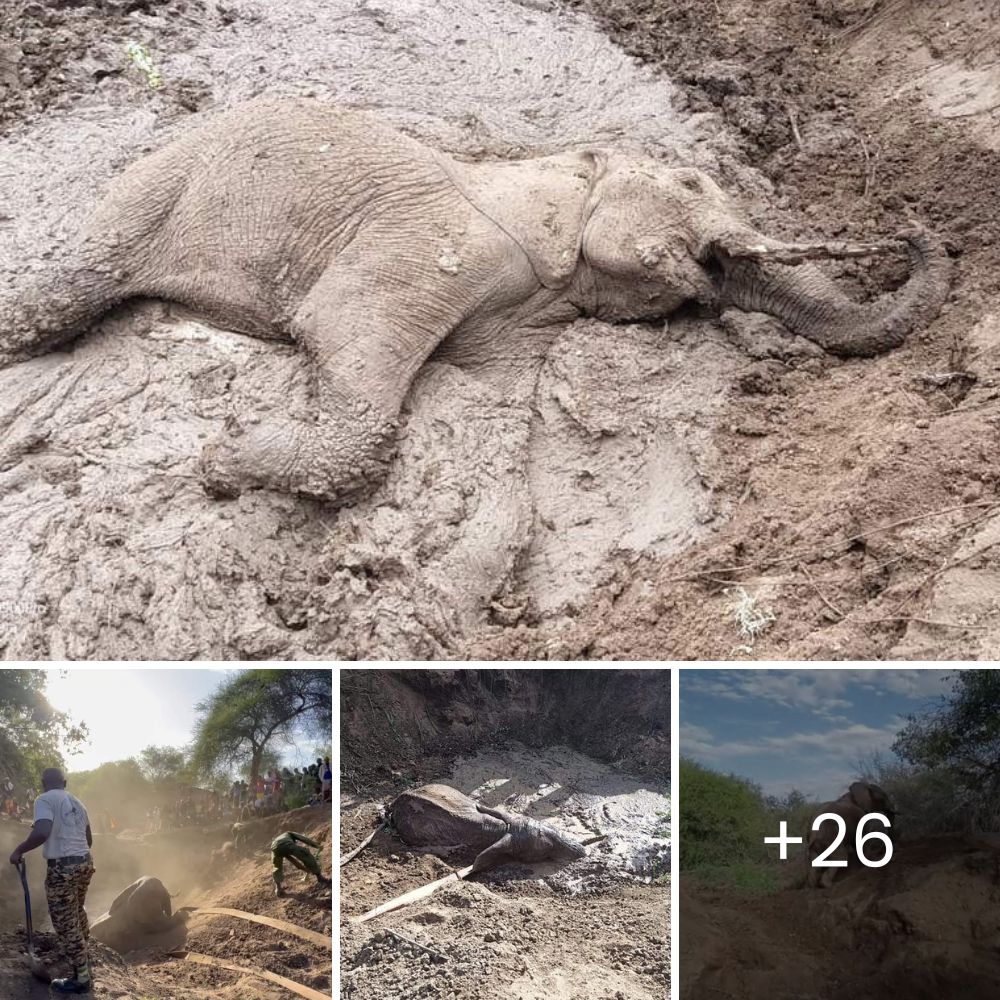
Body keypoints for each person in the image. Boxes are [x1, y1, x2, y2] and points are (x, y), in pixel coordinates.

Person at [8, 767, 94, 995]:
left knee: (65, 923)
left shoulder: (43, 799)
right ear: (64, 782)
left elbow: (42, 832)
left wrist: (18, 850)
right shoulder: (78, 802)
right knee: (77, 911)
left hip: (62, 868)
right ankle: (86, 957)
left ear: (43, 783)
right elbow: (88, 838)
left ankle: (81, 977)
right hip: (85, 862)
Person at [270, 830, 331, 897]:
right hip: (286, 844)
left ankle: (278, 889)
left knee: (277, 868)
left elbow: (292, 860)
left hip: (274, 849)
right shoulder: (290, 833)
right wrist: (317, 846)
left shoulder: (277, 841)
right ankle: (320, 877)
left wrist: (304, 869)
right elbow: (305, 839)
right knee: (306, 855)